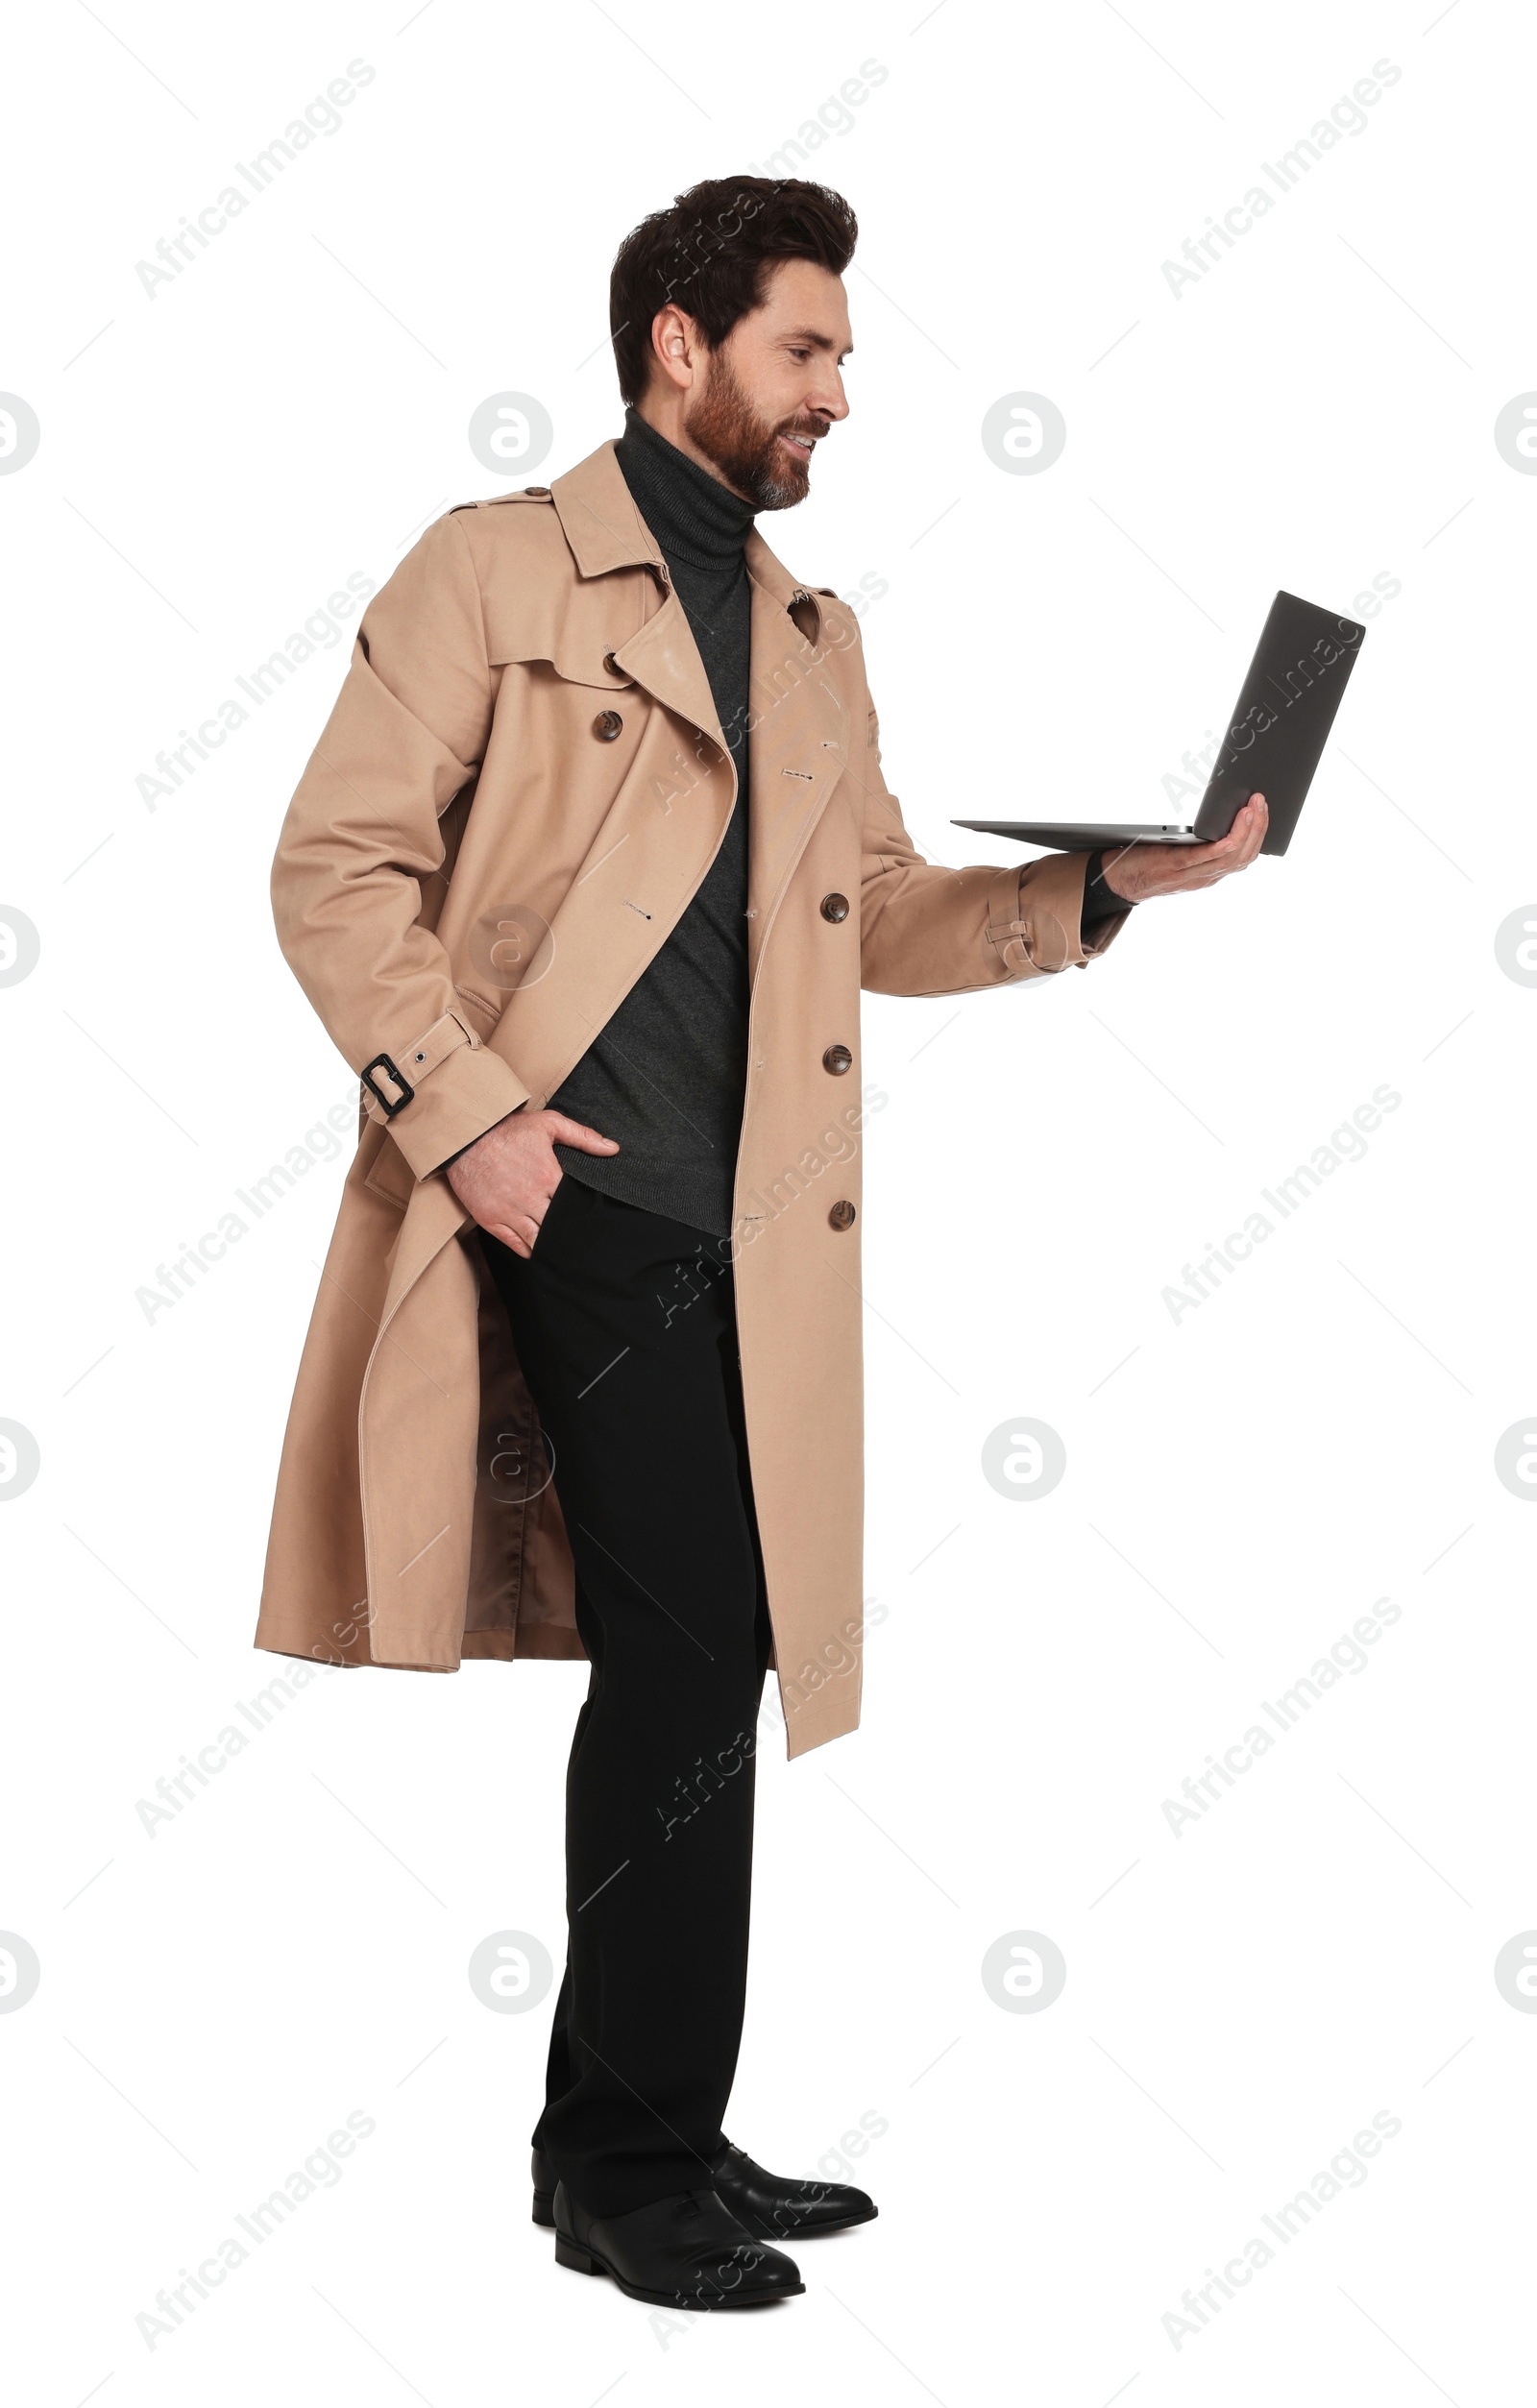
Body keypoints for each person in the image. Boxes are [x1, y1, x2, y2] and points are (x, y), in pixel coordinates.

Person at [256, 176, 1266, 2312]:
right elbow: (336, 869)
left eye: (836, 354)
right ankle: (625, 2167)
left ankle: (630, 2136)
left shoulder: (815, 643)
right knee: (694, 1661)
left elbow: (882, 911)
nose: (837, 393)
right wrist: (478, 1127)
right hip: (573, 1196)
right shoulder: (493, 568)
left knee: (702, 1668)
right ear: (676, 348)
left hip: (751, 1236)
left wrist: (1106, 890)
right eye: (804, 350)